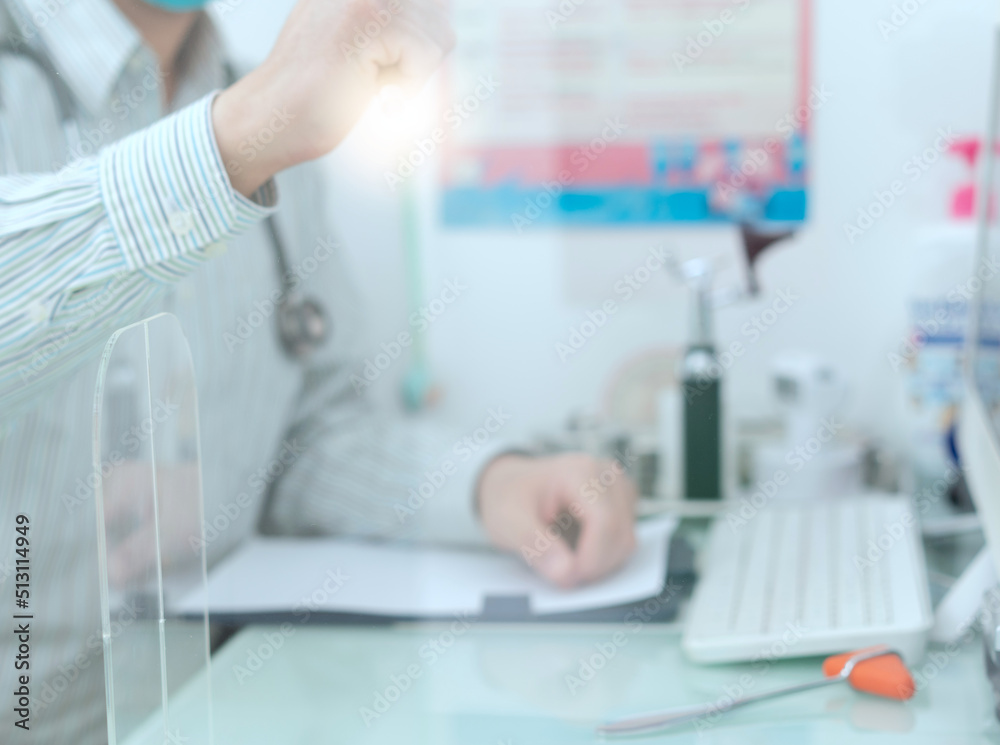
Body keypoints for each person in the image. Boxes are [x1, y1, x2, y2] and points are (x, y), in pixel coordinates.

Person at [0, 0, 637, 742]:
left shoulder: (273, 119)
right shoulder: (257, 118)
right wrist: (238, 138)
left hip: (216, 704)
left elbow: (309, 439)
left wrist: (492, 484)